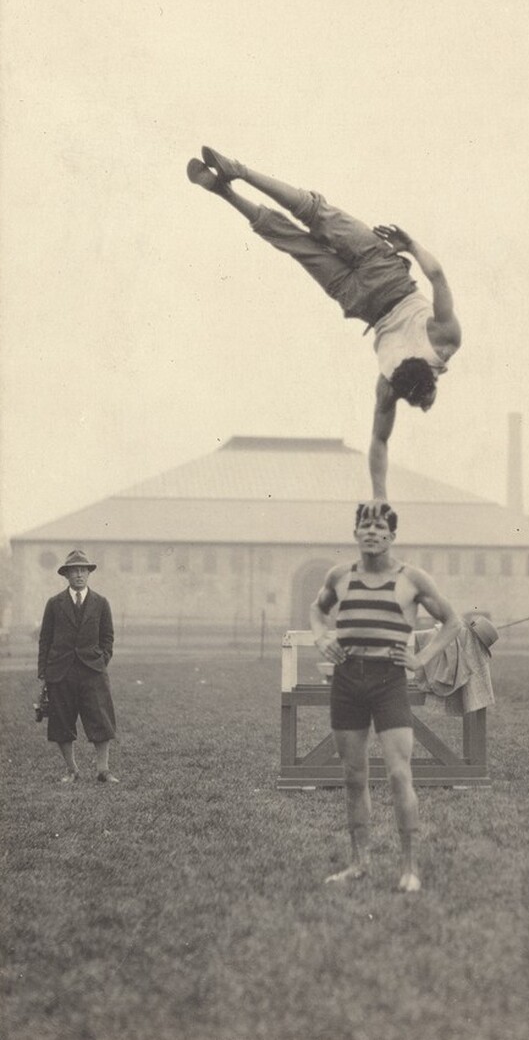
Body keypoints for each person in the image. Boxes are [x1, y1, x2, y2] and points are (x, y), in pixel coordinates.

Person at [187, 147, 461, 498]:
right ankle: (224, 191)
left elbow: (437, 276)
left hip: (386, 276)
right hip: (360, 302)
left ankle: (238, 171)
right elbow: (379, 439)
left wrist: (410, 245)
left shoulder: (445, 341)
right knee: (293, 242)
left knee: (315, 212)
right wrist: (379, 495)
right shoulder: (389, 384)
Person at [310, 500, 462, 892]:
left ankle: (409, 868)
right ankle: (359, 863)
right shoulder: (340, 575)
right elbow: (317, 609)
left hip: (388, 682)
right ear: (355, 533)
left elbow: (453, 621)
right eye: (365, 525)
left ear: (392, 536)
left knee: (398, 774)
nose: (372, 532)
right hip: (347, 680)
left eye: (380, 527)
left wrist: (420, 658)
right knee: (352, 776)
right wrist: (322, 637)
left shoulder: (412, 578)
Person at [37, 550, 119, 783]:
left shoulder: (101, 603)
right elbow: (45, 638)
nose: (79, 574)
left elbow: (108, 637)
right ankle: (72, 770)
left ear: (89, 573)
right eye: (74, 570)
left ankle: (103, 770)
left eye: (83, 570)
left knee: (100, 719)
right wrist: (43, 671)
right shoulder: (54, 604)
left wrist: (101, 660)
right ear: (66, 575)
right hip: (60, 671)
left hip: (92, 670)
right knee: (62, 720)